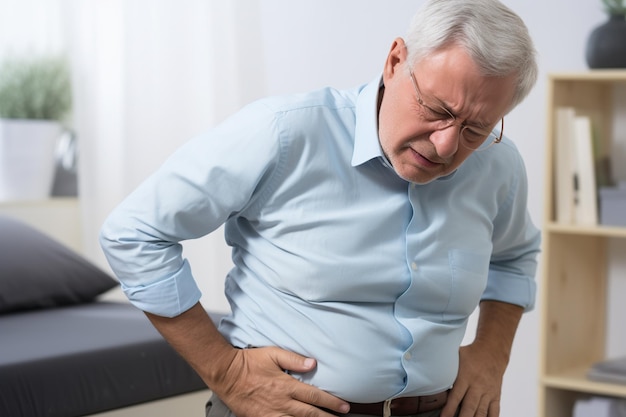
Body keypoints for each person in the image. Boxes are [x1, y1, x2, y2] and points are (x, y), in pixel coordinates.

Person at [99, 0, 540, 416]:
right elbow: (133, 233)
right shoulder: (284, 132)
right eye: (436, 109)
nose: (446, 144)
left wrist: (491, 355)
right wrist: (225, 370)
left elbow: (515, 256)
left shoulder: (498, 166)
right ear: (395, 62)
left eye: (475, 130)